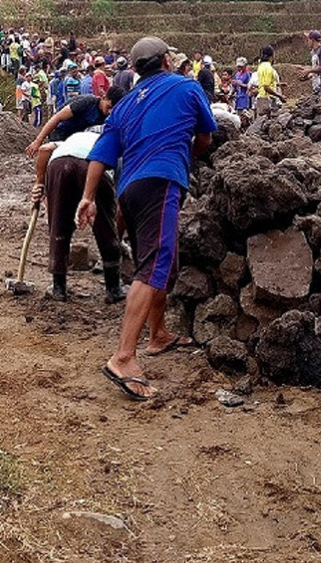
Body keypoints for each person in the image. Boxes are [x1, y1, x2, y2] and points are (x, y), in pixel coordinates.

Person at [78, 37, 217, 401]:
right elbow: (204, 139)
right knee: (155, 264)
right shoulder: (187, 87)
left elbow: (100, 155)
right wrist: (182, 150)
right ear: (168, 61)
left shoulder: (122, 109)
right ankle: (123, 356)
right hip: (162, 181)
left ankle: (158, 334)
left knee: (152, 262)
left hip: (129, 190)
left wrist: (88, 197)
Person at [29, 89, 130, 303]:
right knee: (105, 225)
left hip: (59, 164)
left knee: (59, 223)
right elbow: (119, 198)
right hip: (93, 166)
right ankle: (113, 288)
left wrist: (39, 183)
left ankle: (59, 288)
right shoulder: (113, 138)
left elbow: (45, 150)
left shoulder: (74, 138)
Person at [299, 30, 321, 94]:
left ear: (312, 40)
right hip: (317, 86)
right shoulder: (313, 52)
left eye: (308, 39)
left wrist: (308, 70)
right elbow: (316, 70)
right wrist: (307, 76)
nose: (307, 42)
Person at [253, 45, 284, 118]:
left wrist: (277, 84)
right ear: (271, 56)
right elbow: (266, 87)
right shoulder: (268, 68)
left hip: (261, 97)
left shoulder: (261, 66)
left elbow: (264, 82)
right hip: (267, 99)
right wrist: (280, 96)